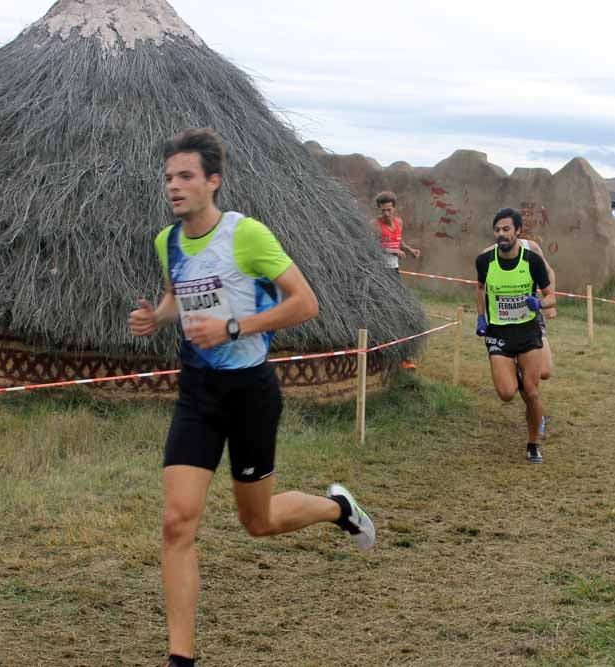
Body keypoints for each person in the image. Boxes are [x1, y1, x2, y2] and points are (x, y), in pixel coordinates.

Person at [129, 128, 376, 667]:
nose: (174, 186)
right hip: (197, 394)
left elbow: (305, 303)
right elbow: (178, 297)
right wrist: (157, 317)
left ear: (213, 181)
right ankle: (180, 659)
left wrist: (234, 327)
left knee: (257, 522)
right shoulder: (166, 242)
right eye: (169, 177)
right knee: (177, 521)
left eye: (186, 176)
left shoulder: (247, 236)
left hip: (250, 395)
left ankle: (338, 509)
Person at [475, 208, 555, 464]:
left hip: (527, 332)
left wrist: (539, 304)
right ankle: (517, 376)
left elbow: (551, 295)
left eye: (506, 229)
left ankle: (532, 444)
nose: (501, 234)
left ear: (518, 230)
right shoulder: (484, 261)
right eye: (497, 230)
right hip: (499, 334)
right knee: (507, 393)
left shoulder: (532, 259)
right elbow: (480, 288)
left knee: (532, 392)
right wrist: (481, 317)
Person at [369, 191, 421, 369]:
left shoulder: (399, 222)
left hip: (394, 270)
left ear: (394, 209)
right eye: (383, 210)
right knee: (386, 309)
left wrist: (409, 249)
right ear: (379, 209)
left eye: (389, 210)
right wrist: (392, 252)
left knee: (399, 309)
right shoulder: (375, 226)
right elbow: (372, 247)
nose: (386, 214)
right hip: (379, 271)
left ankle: (401, 355)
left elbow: (398, 241)